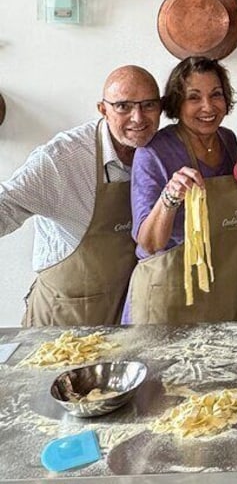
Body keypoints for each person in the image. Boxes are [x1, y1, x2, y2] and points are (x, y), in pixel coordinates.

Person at [0, 65, 161, 326]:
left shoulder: (161, 154)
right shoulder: (62, 160)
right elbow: (5, 205)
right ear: (103, 109)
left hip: (123, 320)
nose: (138, 117)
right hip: (62, 321)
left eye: (149, 105)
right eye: (123, 106)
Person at [124, 56, 237, 325]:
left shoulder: (227, 141)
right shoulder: (154, 152)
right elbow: (149, 243)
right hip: (168, 297)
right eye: (194, 97)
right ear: (177, 104)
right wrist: (170, 197)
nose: (207, 107)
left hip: (220, 295)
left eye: (216, 95)